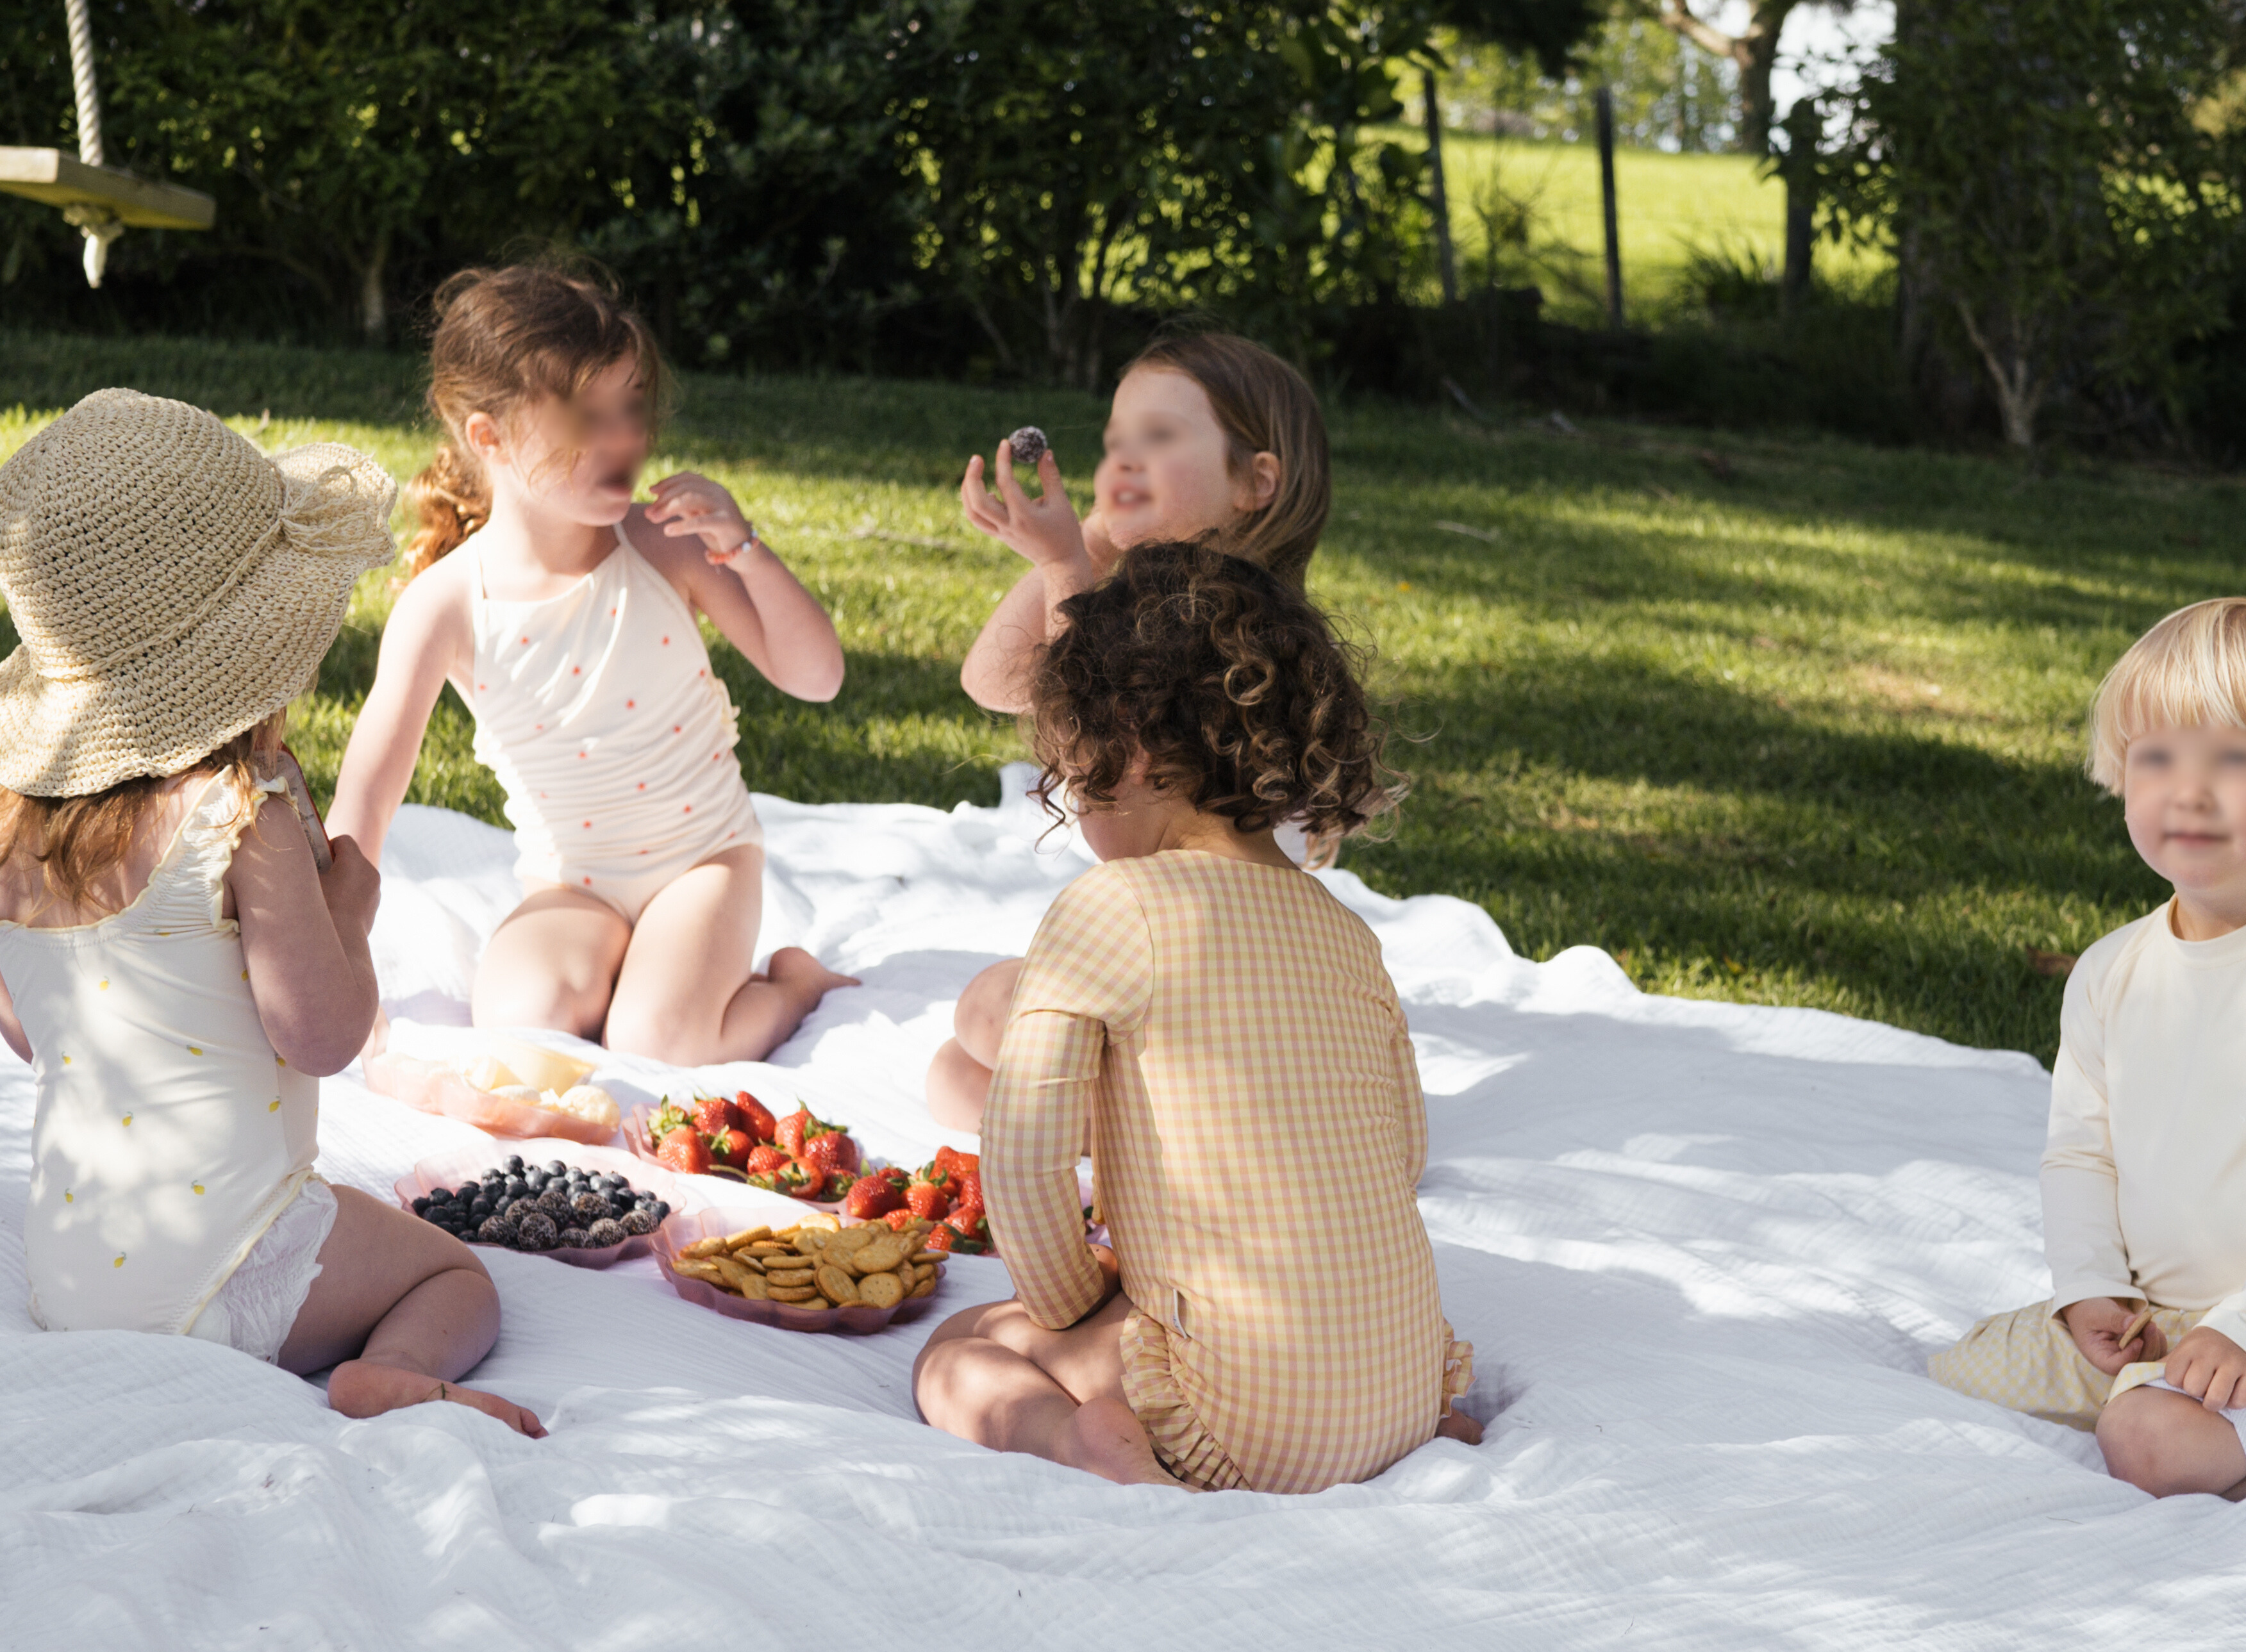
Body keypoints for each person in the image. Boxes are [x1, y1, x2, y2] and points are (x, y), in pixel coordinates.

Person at [0, 390, 541, 1435]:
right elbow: (324, 1033)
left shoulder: (10, 824)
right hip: (229, 1263)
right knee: (453, 1277)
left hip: (71, 1276)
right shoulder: (241, 811)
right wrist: (352, 904)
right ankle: (393, 1371)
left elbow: (31, 1029)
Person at [912, 540, 1477, 1491]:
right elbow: (1404, 1151)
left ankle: (1080, 1442)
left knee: (959, 1350)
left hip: (1234, 1413)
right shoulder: (1346, 934)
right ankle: (1408, 1424)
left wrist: (1069, 1302)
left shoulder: (1113, 904)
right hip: (1401, 1387)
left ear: (1124, 752)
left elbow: (1021, 1152)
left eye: (1065, 770)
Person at [1931, 597, 2246, 1499]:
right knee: (1958, 1370)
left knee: (2144, 1438)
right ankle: (2157, 1392)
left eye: (2233, 758)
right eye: (2155, 756)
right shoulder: (2111, 970)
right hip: (2150, 1319)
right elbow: (2080, 1150)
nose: (2186, 791)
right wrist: (2087, 1290)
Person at [328, 265, 853, 1064]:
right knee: (518, 1023)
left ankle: (793, 986)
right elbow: (367, 797)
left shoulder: (662, 542)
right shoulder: (445, 604)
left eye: (632, 409)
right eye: (587, 418)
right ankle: (631, 969)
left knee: (659, 1040)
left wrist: (744, 549)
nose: (624, 441)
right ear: (488, 436)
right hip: (574, 885)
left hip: (703, 861)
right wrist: (343, 953)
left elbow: (816, 676)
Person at [930, 333, 1332, 1128]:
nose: (1124, 463)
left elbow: (1114, 821)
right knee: (954, 1075)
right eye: (1118, 442)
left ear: (1255, 483)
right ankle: (1150, 1135)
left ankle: (1167, 1135)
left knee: (985, 1012)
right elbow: (995, 681)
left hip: (1221, 995)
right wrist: (1088, 542)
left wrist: (1065, 573)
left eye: (1160, 439)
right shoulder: (1152, 605)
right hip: (1180, 975)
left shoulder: (1248, 648)